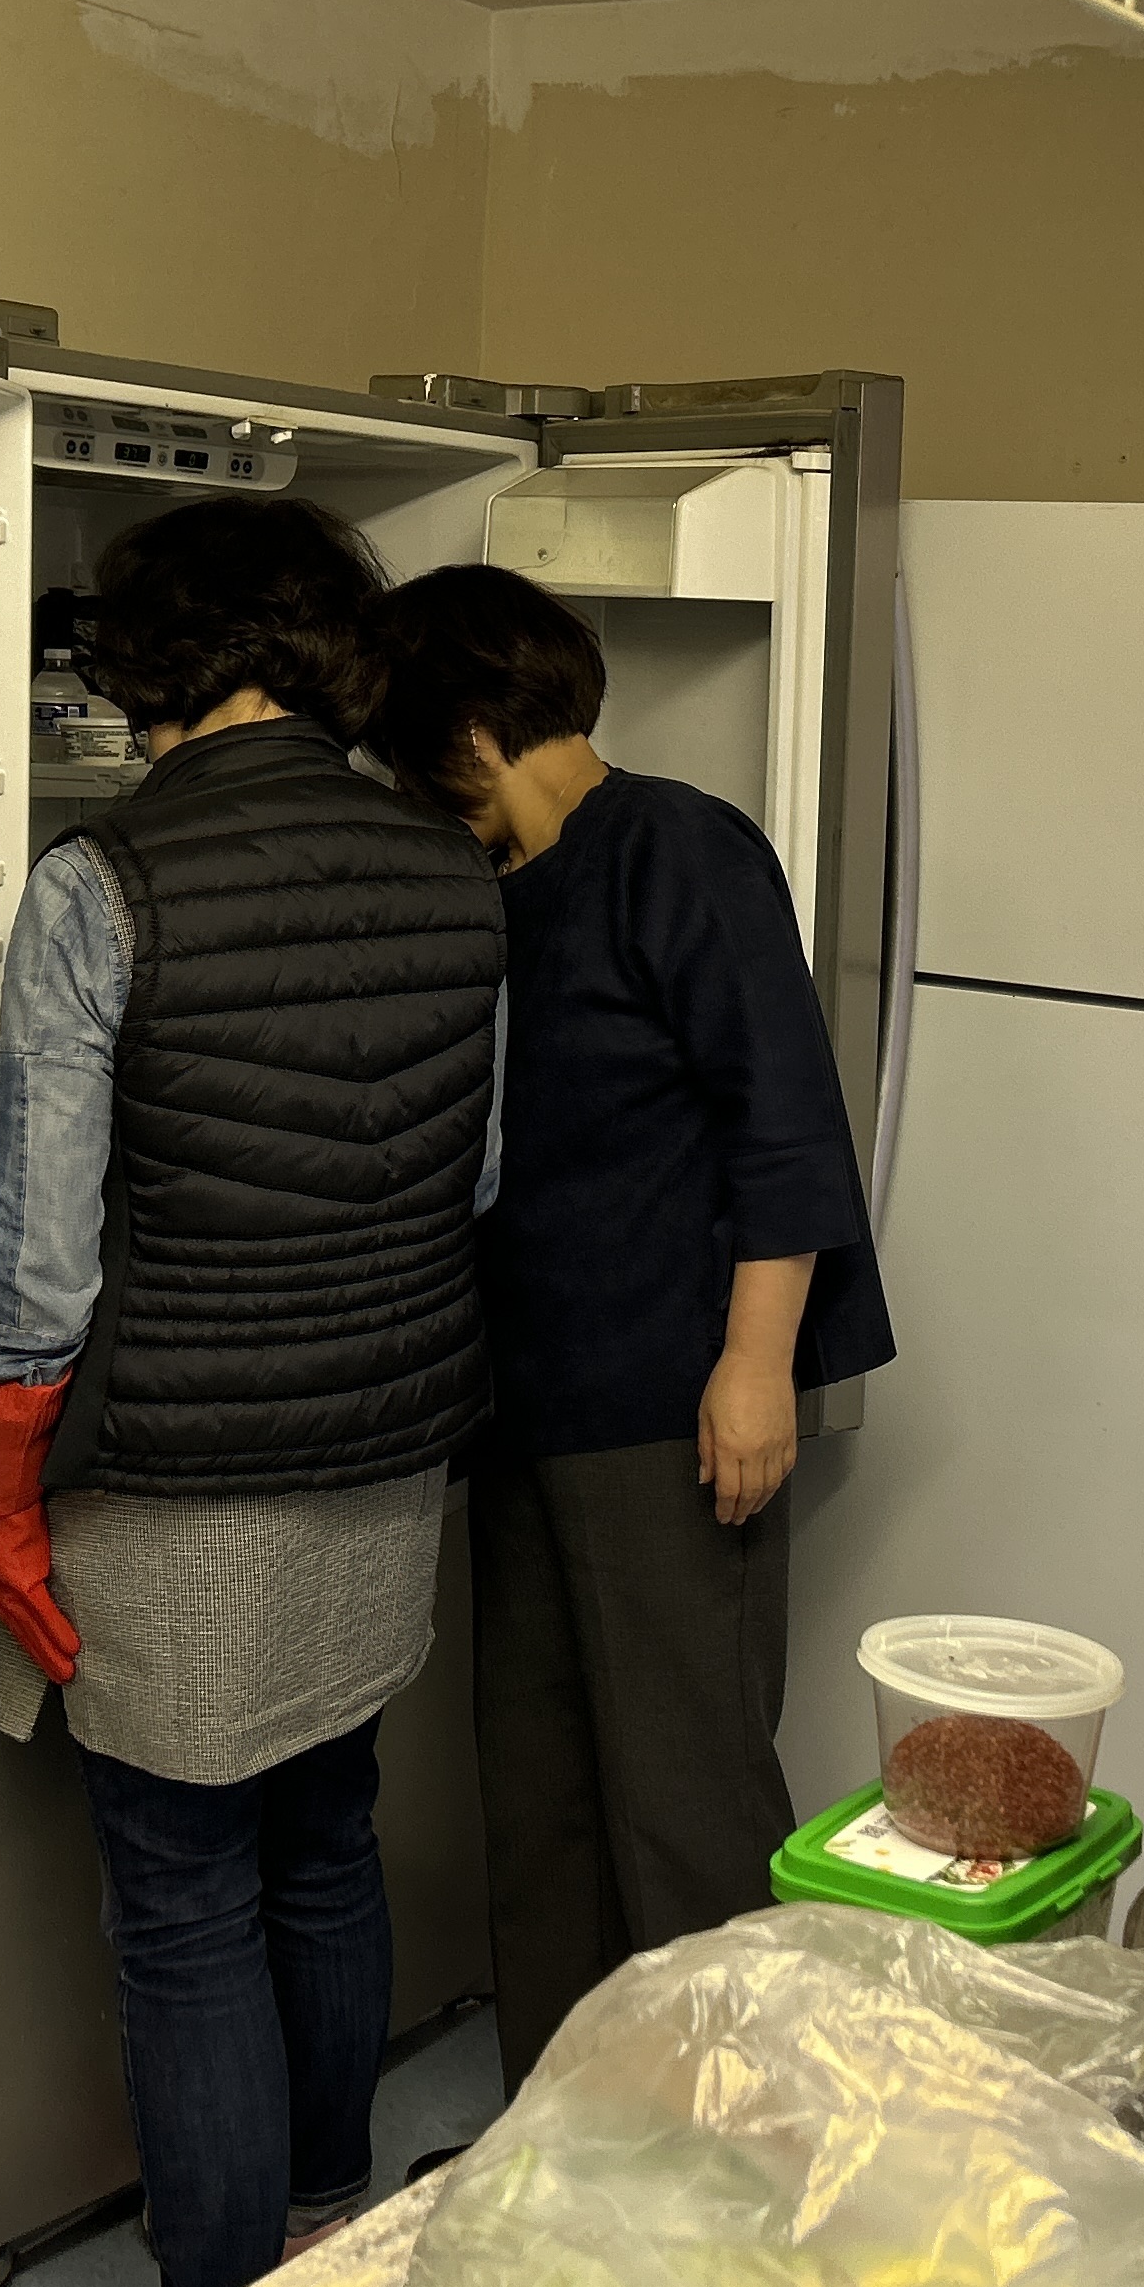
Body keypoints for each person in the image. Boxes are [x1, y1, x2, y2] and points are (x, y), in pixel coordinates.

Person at [0, 499, 505, 2287]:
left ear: (151, 661)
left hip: (179, 1476)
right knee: (327, 1832)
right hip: (387, 1447)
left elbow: (39, 1253)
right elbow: (472, 1178)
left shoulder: (103, 883)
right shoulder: (450, 862)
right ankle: (329, 2233)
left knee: (185, 1897)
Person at [363, 563, 895, 2090]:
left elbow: (784, 1122)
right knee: (538, 1800)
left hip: (670, 1405)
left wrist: (756, 1365)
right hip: (525, 1409)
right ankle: (566, 2139)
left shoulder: (676, 848)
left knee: (684, 1801)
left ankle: (731, 2154)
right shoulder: (494, 886)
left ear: (471, 736)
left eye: (413, 758)